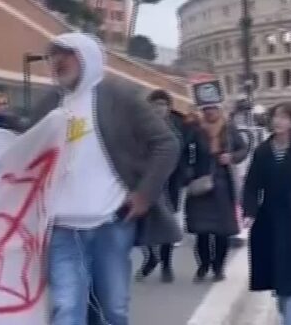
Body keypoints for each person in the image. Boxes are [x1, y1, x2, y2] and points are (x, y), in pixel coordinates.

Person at [30, 32, 180, 325]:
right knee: (66, 308)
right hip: (62, 228)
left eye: (65, 54)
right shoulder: (47, 103)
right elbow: (25, 151)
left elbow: (167, 144)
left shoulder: (120, 98)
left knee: (113, 310)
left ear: (87, 56)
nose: (57, 62)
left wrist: (144, 194)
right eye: (52, 56)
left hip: (110, 224)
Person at [243, 102, 291, 325]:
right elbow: (251, 184)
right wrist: (250, 211)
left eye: (285, 117)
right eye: (276, 116)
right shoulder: (263, 151)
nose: (279, 121)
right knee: (280, 287)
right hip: (269, 223)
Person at [136, 89, 209, 283]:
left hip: (170, 183)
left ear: (168, 108)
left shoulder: (179, 126)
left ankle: (166, 265)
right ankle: (151, 256)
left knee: (167, 224)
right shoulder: (141, 127)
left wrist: (189, 172)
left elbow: (191, 148)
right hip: (146, 182)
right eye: (155, 105)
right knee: (143, 224)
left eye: (163, 105)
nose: (159, 109)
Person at [184, 104, 246, 282]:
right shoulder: (195, 130)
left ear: (220, 110)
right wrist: (188, 173)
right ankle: (203, 265)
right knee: (201, 231)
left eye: (213, 109)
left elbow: (243, 149)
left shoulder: (229, 129)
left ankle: (218, 267)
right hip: (200, 184)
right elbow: (184, 151)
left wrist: (231, 157)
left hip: (222, 184)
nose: (210, 112)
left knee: (222, 231)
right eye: (206, 109)